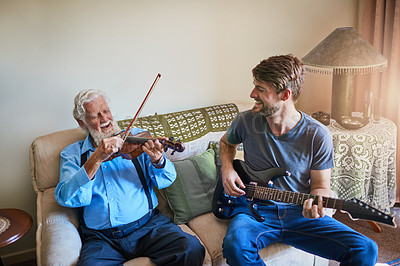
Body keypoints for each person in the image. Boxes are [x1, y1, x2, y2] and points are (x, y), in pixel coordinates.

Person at [219, 54, 378, 265]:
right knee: (235, 246)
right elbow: (226, 144)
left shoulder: (318, 135)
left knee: (366, 249)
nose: (252, 94)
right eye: (255, 86)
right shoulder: (245, 121)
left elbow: (321, 186)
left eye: (261, 89)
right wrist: (227, 169)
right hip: (254, 209)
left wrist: (316, 202)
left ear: (285, 95)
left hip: (297, 212)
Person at [55, 89, 205, 265]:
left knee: (191, 248)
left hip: (149, 227)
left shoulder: (137, 138)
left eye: (105, 111)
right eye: (95, 115)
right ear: (82, 122)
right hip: (102, 239)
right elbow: (65, 198)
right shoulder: (72, 154)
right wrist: (95, 159)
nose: (105, 119)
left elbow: (167, 179)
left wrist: (158, 160)